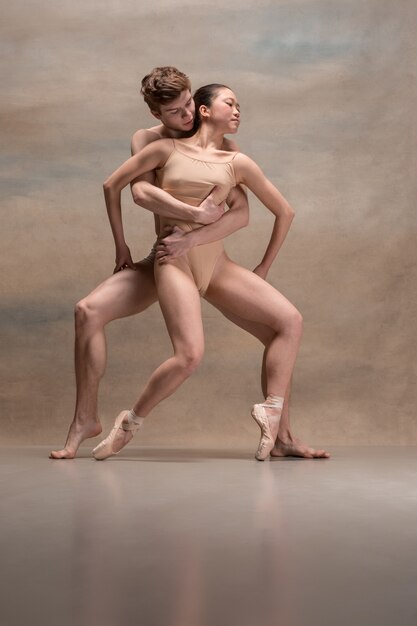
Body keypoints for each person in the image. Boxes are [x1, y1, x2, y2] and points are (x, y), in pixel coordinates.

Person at [50, 68, 328, 461]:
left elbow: (242, 211)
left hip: (211, 261)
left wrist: (202, 236)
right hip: (168, 257)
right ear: (157, 115)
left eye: (189, 107)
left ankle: (281, 434)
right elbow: (138, 190)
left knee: (284, 327)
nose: (187, 117)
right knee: (89, 311)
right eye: (175, 112)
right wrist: (128, 244)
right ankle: (87, 419)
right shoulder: (151, 143)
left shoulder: (227, 148)